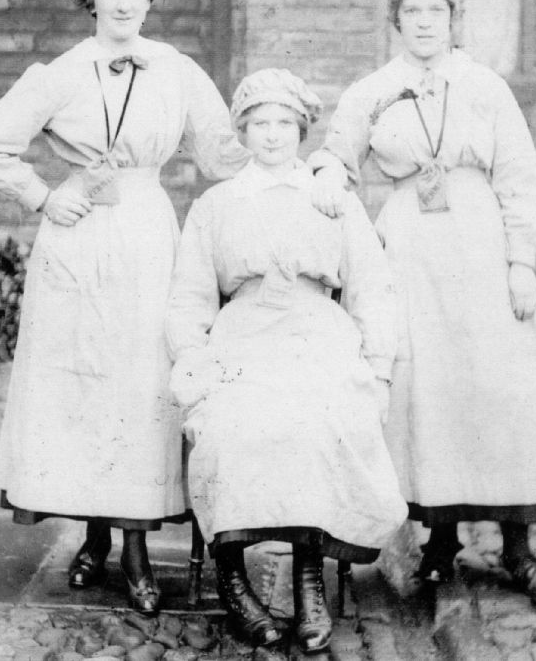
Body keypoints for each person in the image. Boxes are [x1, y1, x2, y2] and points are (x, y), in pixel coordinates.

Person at [0, 0, 253, 613]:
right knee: (86, 384)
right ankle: (94, 535)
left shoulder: (176, 69)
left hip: (147, 233)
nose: (123, 3)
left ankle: (137, 548)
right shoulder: (62, 72)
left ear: (151, 0)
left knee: (142, 381)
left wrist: (287, 160)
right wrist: (43, 196)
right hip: (79, 236)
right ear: (90, 0)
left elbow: (221, 153)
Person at [312, 0, 536, 609]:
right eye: (412, 12)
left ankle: (518, 547)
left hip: (481, 248)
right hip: (411, 255)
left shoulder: (484, 87)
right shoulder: (373, 90)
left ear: (454, 18)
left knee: (501, 387)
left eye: (436, 12)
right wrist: (329, 178)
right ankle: (439, 542)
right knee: (429, 392)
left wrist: (520, 261)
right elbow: (338, 154)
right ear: (395, 20)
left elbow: (519, 175)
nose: (425, 23)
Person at [166, 68, 407, 651]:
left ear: (302, 130)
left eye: (284, 123)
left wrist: (377, 370)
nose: (272, 135)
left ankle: (308, 583)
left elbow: (372, 291)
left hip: (316, 336)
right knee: (227, 427)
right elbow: (189, 298)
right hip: (243, 338)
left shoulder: (333, 201)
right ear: (242, 131)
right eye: (259, 123)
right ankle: (233, 580)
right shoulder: (217, 204)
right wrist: (193, 365)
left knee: (321, 424)